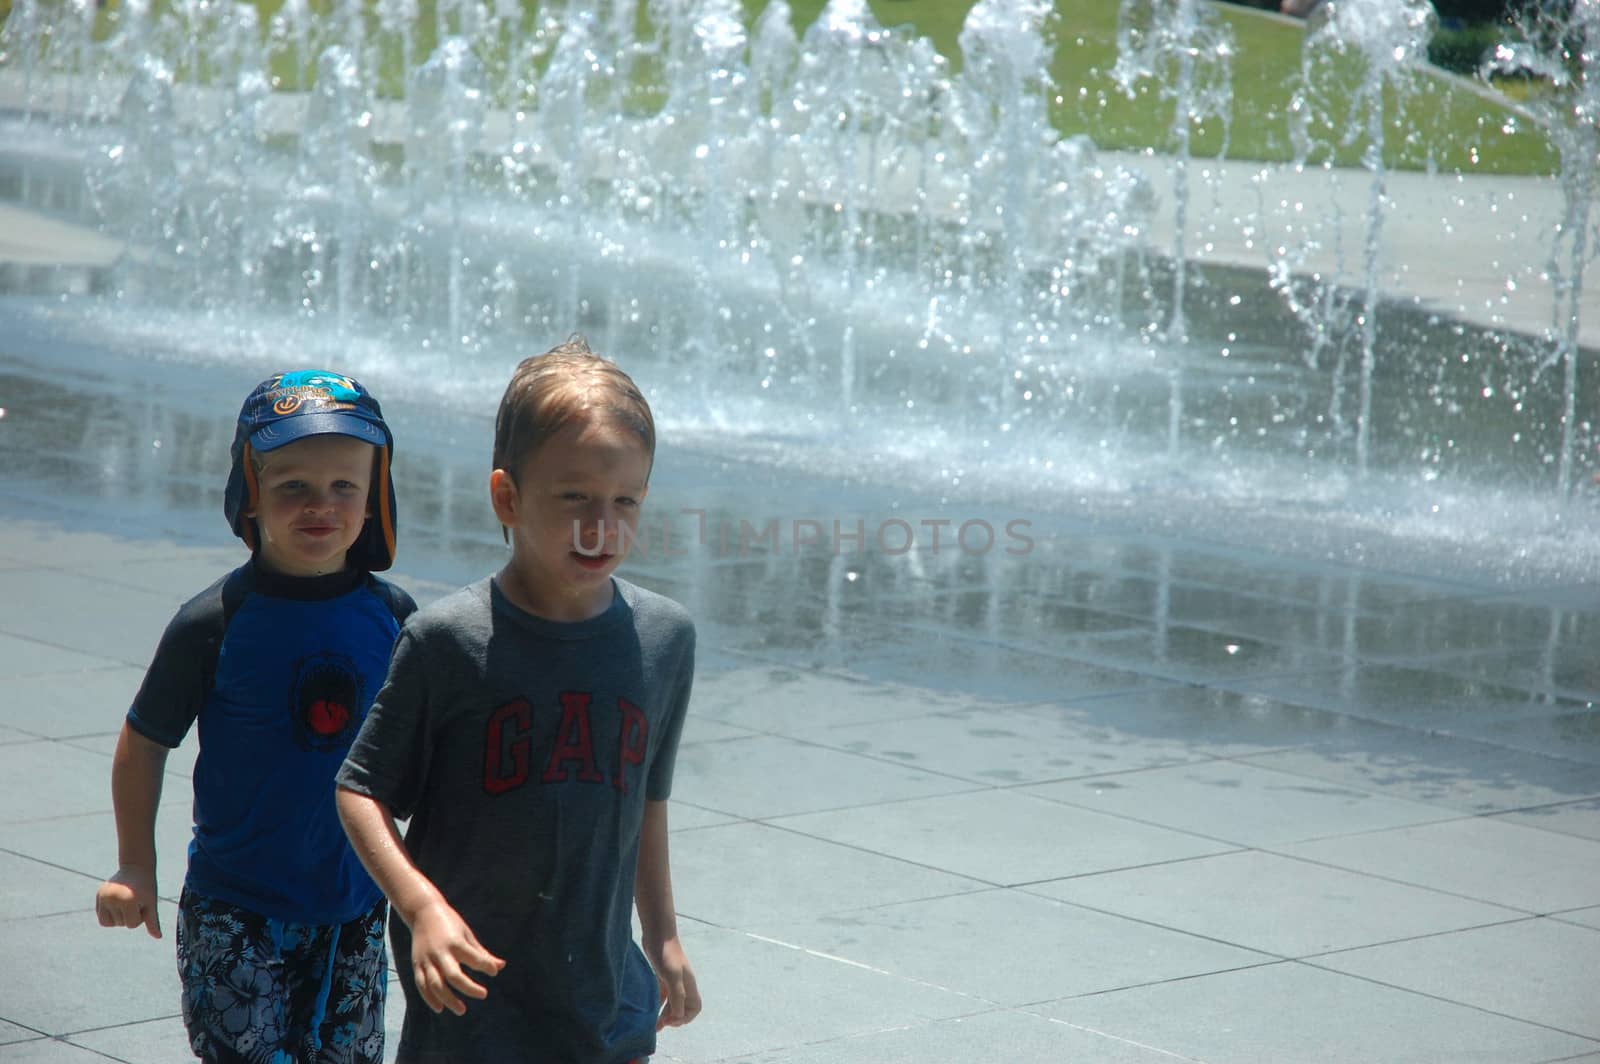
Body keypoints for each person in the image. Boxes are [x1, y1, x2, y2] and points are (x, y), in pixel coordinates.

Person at [335, 336, 701, 1064]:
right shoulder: (449, 641)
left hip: (606, 998)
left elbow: (645, 803)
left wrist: (661, 935)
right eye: (574, 499)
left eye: (624, 500)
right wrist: (421, 909)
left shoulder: (664, 640)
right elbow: (359, 790)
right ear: (508, 495)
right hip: (475, 1002)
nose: (603, 524)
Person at [94, 370, 416, 1064]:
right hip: (236, 908)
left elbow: (433, 748)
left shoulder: (395, 621)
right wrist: (133, 863)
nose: (319, 505)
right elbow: (144, 741)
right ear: (250, 494)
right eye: (293, 485)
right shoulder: (215, 622)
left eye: (343, 487)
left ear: (374, 498)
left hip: (356, 908)